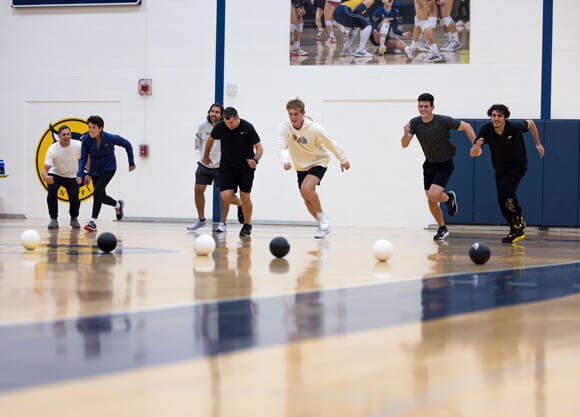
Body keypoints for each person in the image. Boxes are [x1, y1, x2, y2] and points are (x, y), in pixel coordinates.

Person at [401, 93, 477, 241]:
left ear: (432, 107)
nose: (423, 109)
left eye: (426, 106)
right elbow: (404, 144)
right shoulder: (415, 123)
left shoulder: (443, 121)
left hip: (445, 163)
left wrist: (476, 145)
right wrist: (405, 134)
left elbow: (467, 126)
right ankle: (442, 228)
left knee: (433, 195)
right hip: (429, 163)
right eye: (420, 106)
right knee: (431, 200)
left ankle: (448, 198)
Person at [471, 104, 544, 243]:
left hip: (518, 165)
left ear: (505, 117)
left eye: (499, 116)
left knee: (506, 192)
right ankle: (514, 230)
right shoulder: (486, 130)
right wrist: (476, 147)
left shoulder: (515, 127)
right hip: (500, 169)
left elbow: (531, 123)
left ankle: (518, 221)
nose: (496, 118)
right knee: (501, 198)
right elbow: (473, 154)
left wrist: (538, 144)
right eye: (493, 116)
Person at [278, 98, 350, 239]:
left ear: (303, 113)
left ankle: (322, 217)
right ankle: (322, 225)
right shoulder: (285, 127)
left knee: (307, 189)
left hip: (318, 161)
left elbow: (330, 143)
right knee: (306, 200)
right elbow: (281, 145)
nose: (293, 118)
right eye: (290, 114)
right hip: (301, 166)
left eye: (296, 114)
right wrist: (285, 161)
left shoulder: (314, 129)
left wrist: (343, 159)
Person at [202, 107, 263, 237]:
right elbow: (210, 140)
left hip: (245, 167)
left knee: (245, 196)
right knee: (225, 195)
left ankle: (247, 224)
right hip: (227, 166)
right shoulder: (220, 126)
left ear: (237, 118)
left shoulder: (247, 127)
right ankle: (240, 204)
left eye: (231, 123)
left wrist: (255, 160)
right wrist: (206, 156)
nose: (229, 126)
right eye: (226, 123)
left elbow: (259, 147)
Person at [187, 103, 243, 233]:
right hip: (204, 164)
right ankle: (201, 220)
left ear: (222, 115)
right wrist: (204, 155)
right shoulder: (202, 127)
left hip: (222, 166)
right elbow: (199, 141)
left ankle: (222, 223)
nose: (214, 114)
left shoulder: (226, 126)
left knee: (223, 195)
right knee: (198, 189)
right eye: (212, 111)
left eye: (217, 112)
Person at [77, 115, 136, 232]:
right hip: (94, 169)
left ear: (100, 128)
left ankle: (92, 222)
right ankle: (118, 205)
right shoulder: (86, 140)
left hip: (108, 168)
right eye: (89, 127)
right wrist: (80, 174)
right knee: (101, 197)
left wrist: (131, 162)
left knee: (97, 192)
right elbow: (83, 158)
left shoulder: (109, 138)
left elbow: (127, 144)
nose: (91, 130)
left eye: (93, 127)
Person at [42, 125, 82, 230]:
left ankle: (74, 218)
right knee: (52, 192)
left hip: (72, 176)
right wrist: (46, 177)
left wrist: (85, 174)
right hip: (56, 174)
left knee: (75, 197)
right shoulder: (52, 149)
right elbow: (45, 168)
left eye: (68, 134)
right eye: (64, 134)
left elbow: (87, 159)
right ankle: (53, 219)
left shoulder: (78, 145)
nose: (67, 136)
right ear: (59, 136)